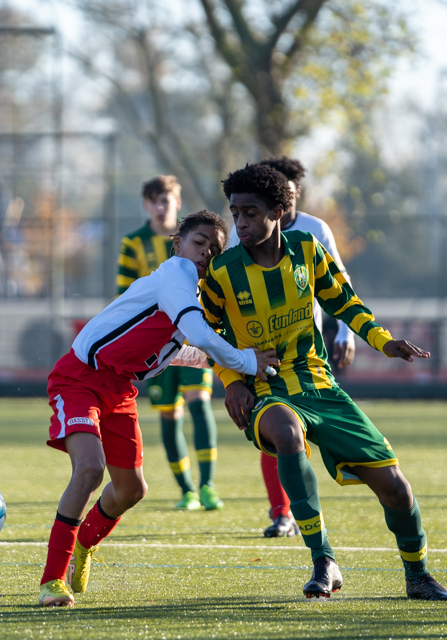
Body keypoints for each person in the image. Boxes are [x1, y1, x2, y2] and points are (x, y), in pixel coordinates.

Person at [201, 164, 447, 601]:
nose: (240, 223)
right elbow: (209, 333)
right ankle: (323, 559)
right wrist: (231, 380)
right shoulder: (223, 272)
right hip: (266, 388)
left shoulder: (307, 248)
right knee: (286, 433)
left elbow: (344, 301)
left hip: (320, 385)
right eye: (235, 213)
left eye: (251, 213)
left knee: (395, 487)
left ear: (278, 212)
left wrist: (383, 341)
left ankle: (418, 576)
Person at [40, 211, 280, 607]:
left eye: (215, 250)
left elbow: (182, 349)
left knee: (131, 490)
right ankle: (52, 580)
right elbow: (200, 334)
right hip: (80, 377)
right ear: (178, 244)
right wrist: (245, 361)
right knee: (90, 468)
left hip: (120, 389)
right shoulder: (177, 274)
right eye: (199, 243)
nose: (206, 253)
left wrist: (228, 362)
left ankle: (84, 542)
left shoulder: (190, 294)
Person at [225, 156, 354, 538]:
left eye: (293, 190)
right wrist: (232, 366)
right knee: (276, 429)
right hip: (261, 350)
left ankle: (311, 504)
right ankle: (283, 513)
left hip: (306, 349)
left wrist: (346, 333)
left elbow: (340, 282)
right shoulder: (242, 229)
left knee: (309, 429)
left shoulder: (314, 230)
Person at [118, 176, 223, 511]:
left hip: (191, 337)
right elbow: (125, 294)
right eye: (155, 202)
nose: (161, 207)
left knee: (199, 403)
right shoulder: (133, 243)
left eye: (167, 200)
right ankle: (187, 490)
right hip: (155, 345)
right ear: (146, 206)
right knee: (169, 414)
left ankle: (207, 486)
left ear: (178, 202)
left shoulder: (196, 239)